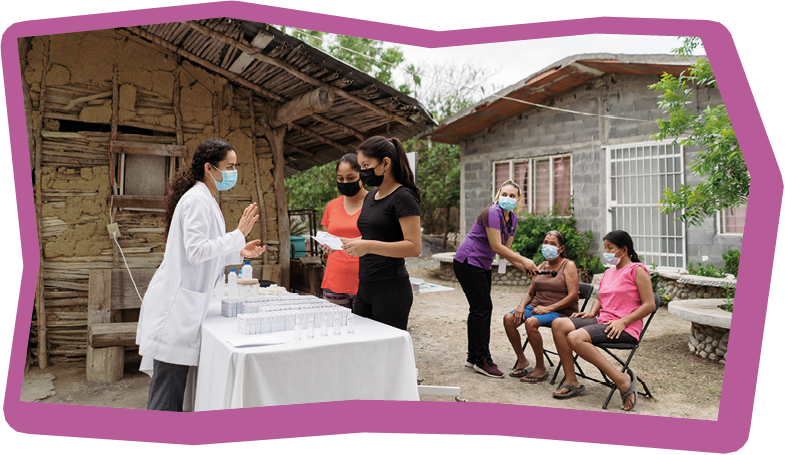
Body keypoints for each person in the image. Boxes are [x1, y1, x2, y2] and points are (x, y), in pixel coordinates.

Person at [136, 138, 265, 412]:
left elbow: (207, 253)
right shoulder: (197, 200)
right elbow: (195, 252)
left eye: (235, 166)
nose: (233, 172)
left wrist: (238, 250)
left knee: (173, 392)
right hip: (176, 311)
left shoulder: (207, 199)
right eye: (229, 166)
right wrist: (238, 234)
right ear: (209, 167)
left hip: (187, 309)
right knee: (167, 395)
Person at [550, 230, 656, 411]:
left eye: (610, 248)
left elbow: (649, 305)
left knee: (575, 337)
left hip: (625, 327)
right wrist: (592, 313)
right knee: (558, 324)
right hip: (603, 321)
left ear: (624, 250)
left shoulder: (637, 270)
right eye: (605, 247)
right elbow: (601, 297)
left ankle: (621, 379)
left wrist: (623, 321)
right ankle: (571, 380)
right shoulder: (609, 272)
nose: (606, 252)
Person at [452, 180, 539, 378]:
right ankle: (483, 360)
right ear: (498, 195)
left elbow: (506, 251)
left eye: (512, 196)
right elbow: (496, 246)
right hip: (468, 261)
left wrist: (523, 267)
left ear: (518, 200)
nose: (507, 198)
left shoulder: (513, 219)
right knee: (483, 308)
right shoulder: (493, 212)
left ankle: (474, 356)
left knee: (478, 309)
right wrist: (524, 260)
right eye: (504, 194)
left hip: (482, 265)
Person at [341, 136, 421, 331]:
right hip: (365, 285)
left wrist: (367, 246)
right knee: (362, 344)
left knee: (385, 348)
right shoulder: (370, 196)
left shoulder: (403, 196)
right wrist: (343, 243)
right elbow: (373, 236)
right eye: (360, 166)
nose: (362, 172)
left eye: (366, 165)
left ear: (385, 163)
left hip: (391, 288)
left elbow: (414, 247)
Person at [502, 230, 579, 382]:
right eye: (545, 242)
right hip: (537, 307)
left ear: (561, 248)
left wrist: (549, 308)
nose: (547, 246)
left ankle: (540, 367)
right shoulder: (541, 266)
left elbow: (573, 295)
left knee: (531, 322)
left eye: (552, 244)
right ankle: (522, 360)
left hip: (560, 311)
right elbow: (531, 293)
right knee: (508, 319)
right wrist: (521, 306)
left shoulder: (568, 265)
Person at [319, 153, 368, 309]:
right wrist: (324, 246)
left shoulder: (375, 203)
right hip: (334, 281)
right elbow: (326, 238)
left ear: (362, 176)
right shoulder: (331, 206)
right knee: (335, 324)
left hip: (366, 281)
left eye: (350, 178)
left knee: (365, 325)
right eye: (340, 179)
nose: (345, 182)